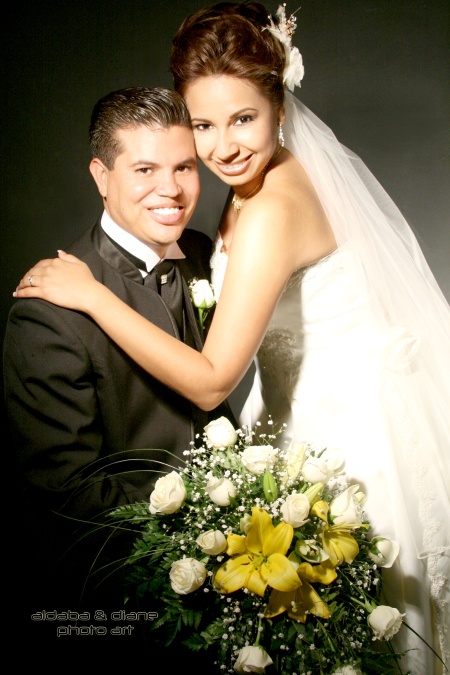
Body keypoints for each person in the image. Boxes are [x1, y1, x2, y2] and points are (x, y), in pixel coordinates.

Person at [12, 3, 449, 671]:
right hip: (284, 438)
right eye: (204, 125)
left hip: (350, 432)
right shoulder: (242, 188)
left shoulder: (272, 204)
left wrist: (95, 296)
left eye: (243, 118)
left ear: (279, 104)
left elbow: (215, 376)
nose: (223, 147)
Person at [3, 85, 235, 648]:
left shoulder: (211, 255)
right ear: (101, 176)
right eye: (145, 168)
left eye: (184, 167)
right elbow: (70, 500)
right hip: (122, 602)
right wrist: (210, 532)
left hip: (240, 583)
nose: (171, 189)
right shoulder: (48, 313)